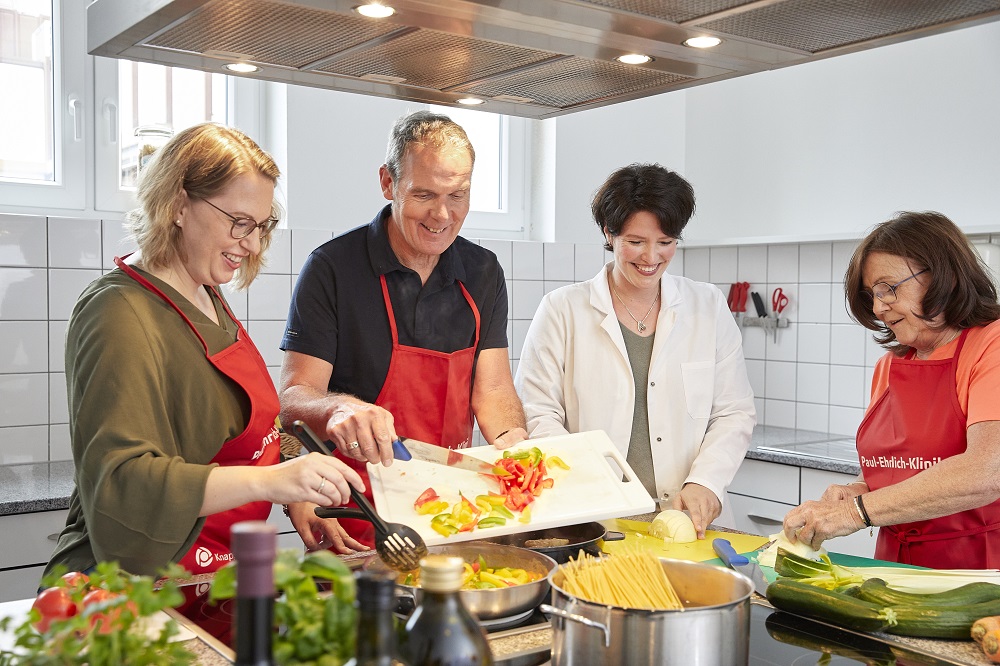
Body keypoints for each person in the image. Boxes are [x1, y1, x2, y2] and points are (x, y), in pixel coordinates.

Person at [43, 123, 363, 579]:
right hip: (136, 586)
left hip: (210, 573)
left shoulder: (206, 294)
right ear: (177, 205)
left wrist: (294, 479)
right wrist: (269, 483)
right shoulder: (117, 312)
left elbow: (244, 434)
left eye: (261, 225)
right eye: (239, 222)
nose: (251, 243)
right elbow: (121, 482)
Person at [279, 111, 528, 553]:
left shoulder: (483, 271)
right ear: (388, 183)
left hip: (452, 510)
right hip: (355, 512)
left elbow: (492, 389)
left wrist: (513, 448)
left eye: (458, 195)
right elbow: (294, 397)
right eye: (424, 194)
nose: (442, 214)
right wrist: (340, 408)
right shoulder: (334, 268)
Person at [513, 163, 755, 538]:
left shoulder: (706, 306)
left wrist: (706, 482)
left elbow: (733, 412)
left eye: (666, 242)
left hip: (689, 521)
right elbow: (537, 411)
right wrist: (586, 480)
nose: (651, 258)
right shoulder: (562, 309)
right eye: (636, 242)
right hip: (593, 519)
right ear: (609, 234)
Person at [783, 211, 1000, 568]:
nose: (879, 307)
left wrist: (856, 512)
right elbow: (899, 467)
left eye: (888, 289)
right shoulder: (890, 365)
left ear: (940, 274)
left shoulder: (990, 346)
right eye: (872, 294)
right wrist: (859, 489)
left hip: (977, 568)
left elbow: (988, 470)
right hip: (894, 564)